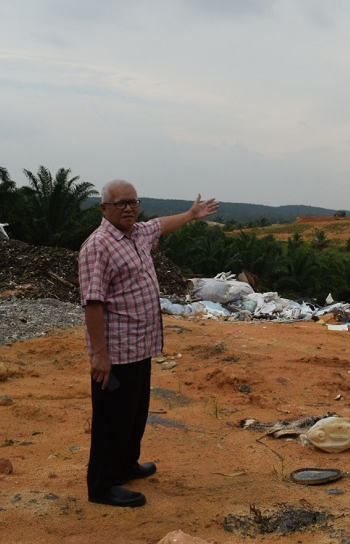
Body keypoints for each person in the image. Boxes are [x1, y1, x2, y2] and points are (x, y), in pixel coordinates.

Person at [79, 179, 219, 507]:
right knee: (111, 419)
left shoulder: (137, 234)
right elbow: (92, 302)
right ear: (104, 209)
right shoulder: (98, 245)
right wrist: (99, 354)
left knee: (134, 413)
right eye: (120, 203)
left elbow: (161, 225)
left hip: (140, 346)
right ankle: (101, 485)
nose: (128, 208)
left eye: (133, 202)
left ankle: (126, 464)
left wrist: (191, 213)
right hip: (115, 351)